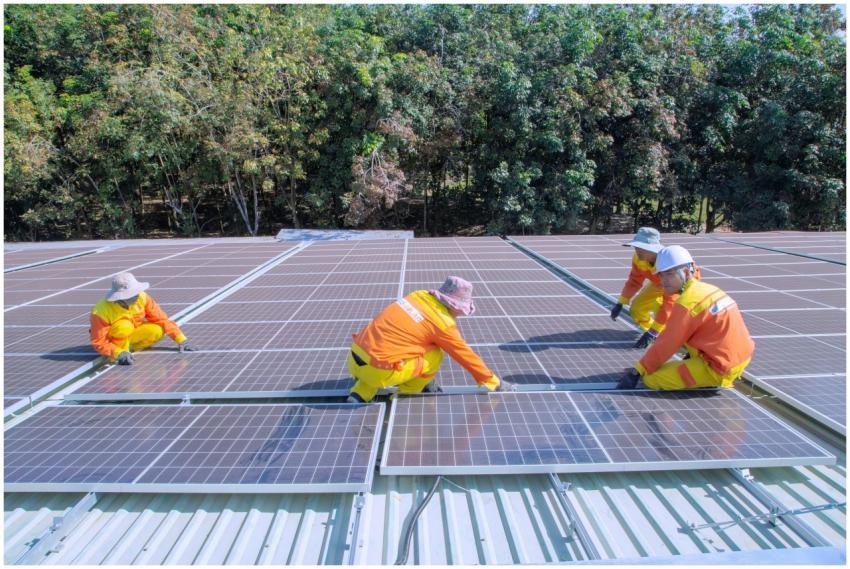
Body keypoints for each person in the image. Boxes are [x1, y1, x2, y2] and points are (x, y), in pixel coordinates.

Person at [346, 276, 512, 402]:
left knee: (391, 350)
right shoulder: (442, 322)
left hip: (355, 357)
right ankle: (406, 394)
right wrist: (492, 381)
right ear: (455, 306)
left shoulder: (417, 295)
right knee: (435, 354)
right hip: (380, 371)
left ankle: (360, 392)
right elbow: (464, 355)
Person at [617, 245, 754, 390]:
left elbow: (668, 343)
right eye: (661, 275)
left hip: (719, 367)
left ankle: (710, 380)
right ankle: (699, 365)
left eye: (669, 274)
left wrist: (637, 371)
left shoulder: (688, 303)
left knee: (651, 379)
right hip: (739, 357)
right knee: (672, 323)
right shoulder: (708, 288)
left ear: (686, 272)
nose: (664, 281)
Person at [610, 227, 700, 348]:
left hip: (681, 285)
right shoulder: (638, 259)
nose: (637, 251)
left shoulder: (669, 264)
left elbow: (669, 303)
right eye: (636, 247)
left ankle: (681, 343)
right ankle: (659, 336)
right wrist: (621, 302)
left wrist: (653, 332)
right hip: (659, 282)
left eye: (640, 248)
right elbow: (634, 281)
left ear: (652, 249)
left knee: (668, 313)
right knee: (637, 308)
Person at [90, 272, 196, 365]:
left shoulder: (142, 297)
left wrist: (181, 339)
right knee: (124, 326)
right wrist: (117, 352)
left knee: (158, 330)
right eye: (132, 294)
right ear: (120, 297)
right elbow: (99, 342)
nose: (136, 295)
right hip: (113, 342)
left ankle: (130, 349)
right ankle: (122, 353)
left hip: (132, 335)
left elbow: (162, 319)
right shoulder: (100, 311)